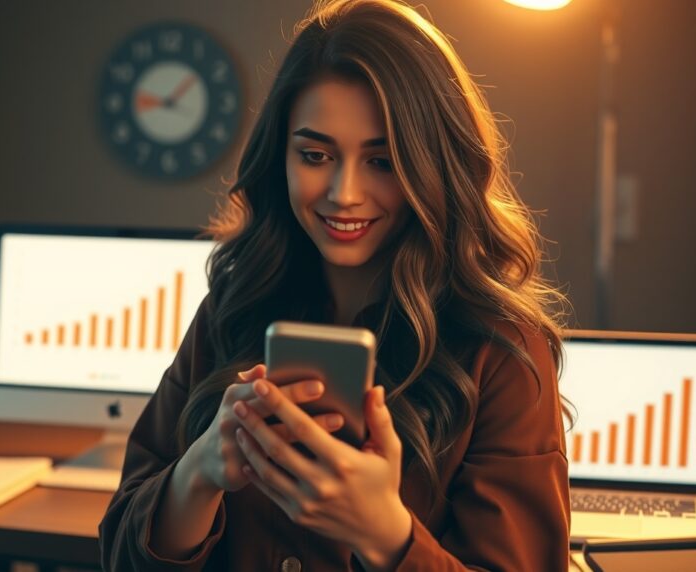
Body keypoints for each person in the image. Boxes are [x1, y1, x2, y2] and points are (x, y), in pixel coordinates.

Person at [99, 0, 571, 569]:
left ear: (434, 167)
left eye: (383, 161)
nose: (344, 193)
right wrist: (198, 473)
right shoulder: (234, 303)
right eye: (316, 155)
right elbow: (120, 552)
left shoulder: (501, 351)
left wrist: (386, 534)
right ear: (282, 157)